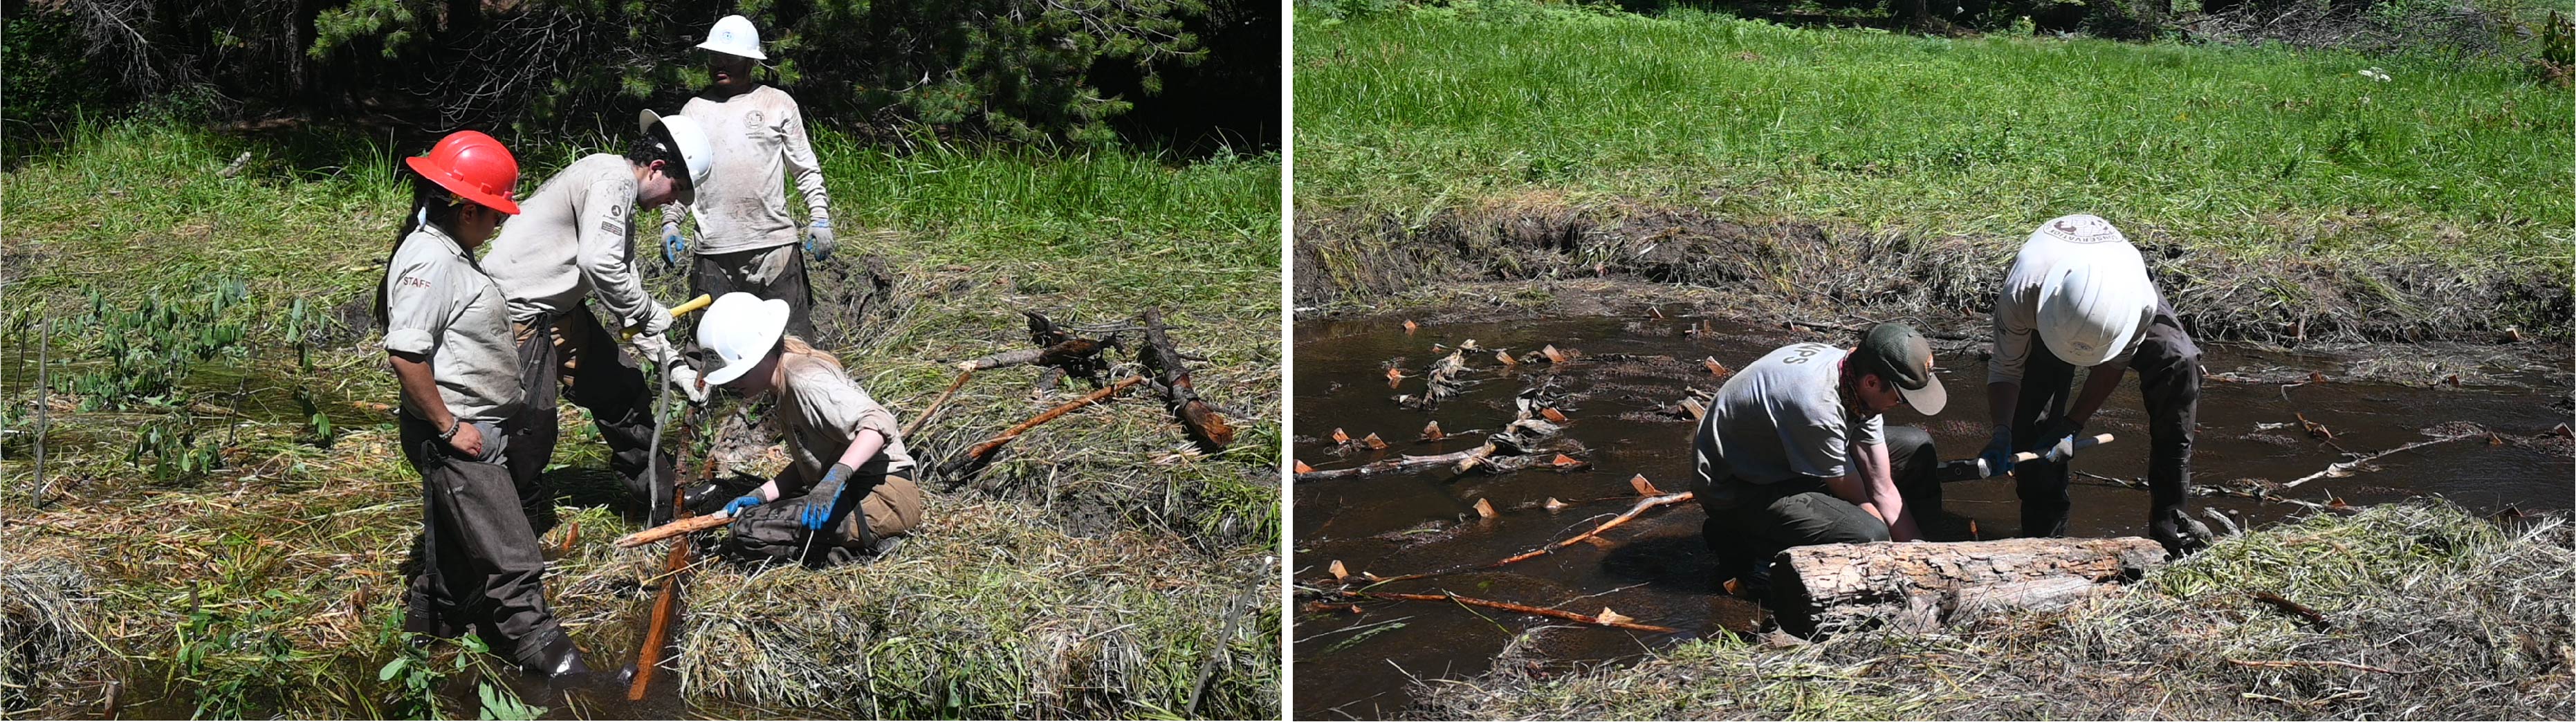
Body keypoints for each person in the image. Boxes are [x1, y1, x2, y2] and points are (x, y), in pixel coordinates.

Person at [376, 131, 585, 676]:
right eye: (494, 214)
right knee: (511, 555)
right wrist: (448, 428)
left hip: (476, 425)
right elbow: (406, 355)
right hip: (458, 432)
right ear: (466, 208)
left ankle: (426, 645)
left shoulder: (449, 250)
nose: (499, 224)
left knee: (452, 557)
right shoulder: (433, 262)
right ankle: (561, 670)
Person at [483, 110, 715, 528]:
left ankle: (661, 501)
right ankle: (511, 525)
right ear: (656, 168)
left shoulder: (617, 198)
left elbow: (623, 286)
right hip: (519, 313)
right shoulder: (613, 180)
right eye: (674, 190)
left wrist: (672, 364)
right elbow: (600, 266)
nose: (671, 202)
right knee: (530, 429)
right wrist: (645, 310)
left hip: (560, 310)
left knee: (621, 390)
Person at [1978, 214, 2211, 554]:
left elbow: (2113, 365)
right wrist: (2003, 431)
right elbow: (2006, 370)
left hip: (2121, 286)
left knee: (2179, 363)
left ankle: (2171, 526)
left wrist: (2073, 424)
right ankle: (2044, 544)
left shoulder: (2138, 303)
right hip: (2050, 295)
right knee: (2030, 422)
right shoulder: (2023, 293)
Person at [1693, 323, 1950, 596]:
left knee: (1915, 448)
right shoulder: (1817, 405)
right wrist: (1896, 562)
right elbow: (1862, 499)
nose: (1902, 405)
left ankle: (1934, 548)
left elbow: (1882, 487)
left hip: (1784, 453)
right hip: (1737, 488)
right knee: (1868, 535)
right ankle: (1740, 537)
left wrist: (1923, 556)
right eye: (1902, 399)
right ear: (1872, 382)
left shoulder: (1855, 373)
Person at [692, 293, 923, 566]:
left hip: (884, 498)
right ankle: (856, 542)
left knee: (746, 533)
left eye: (739, 375)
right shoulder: (781, 385)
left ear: (764, 355)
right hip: (856, 491)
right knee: (753, 518)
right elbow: (812, 464)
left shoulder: (805, 381)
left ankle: (857, 552)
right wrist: (761, 494)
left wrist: (836, 477)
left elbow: (879, 422)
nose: (734, 386)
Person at [660, 14, 832, 341]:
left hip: (773, 247)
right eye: (714, 58)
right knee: (716, 345)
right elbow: (682, 178)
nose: (720, 65)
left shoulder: (775, 103)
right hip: (713, 251)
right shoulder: (694, 111)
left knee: (790, 343)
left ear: (751, 62)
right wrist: (671, 222)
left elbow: (804, 167)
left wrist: (820, 218)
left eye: (731, 58)